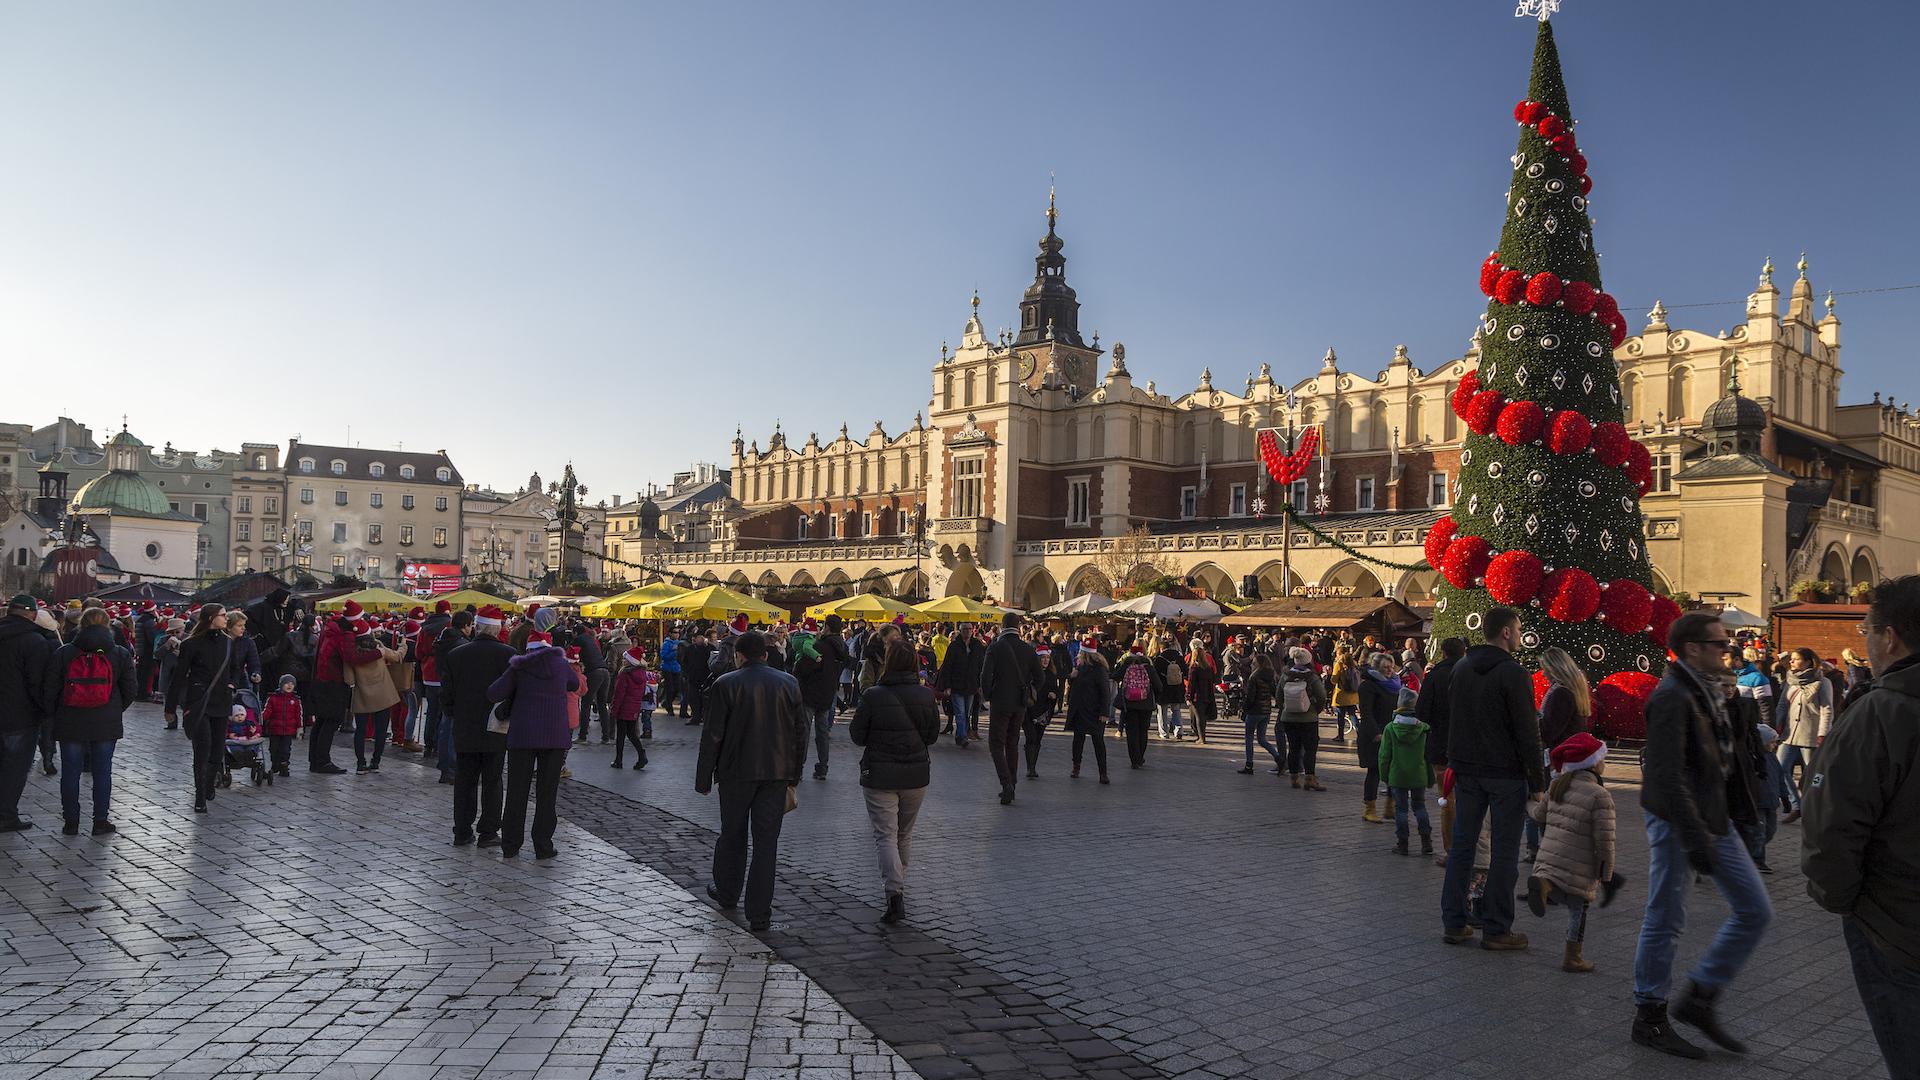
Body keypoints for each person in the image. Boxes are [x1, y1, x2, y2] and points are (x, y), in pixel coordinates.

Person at [1630, 612, 1770, 1060]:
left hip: (1712, 817)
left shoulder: (1707, 690)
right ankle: (1650, 1015)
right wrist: (1695, 839)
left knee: (1755, 909)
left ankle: (1700, 997)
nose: (1728, 651)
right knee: (1665, 917)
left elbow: (1724, 761)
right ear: (1692, 648)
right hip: (1679, 820)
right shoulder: (1673, 696)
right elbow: (1667, 776)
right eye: (1719, 645)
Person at [1802, 576, 1920, 1078]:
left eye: (1867, 629)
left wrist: (1841, 897)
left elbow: (1832, 825)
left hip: (1895, 925)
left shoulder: (1880, 712)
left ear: (1889, 637)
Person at [1439, 606, 1543, 952]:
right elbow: (1527, 731)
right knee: (1504, 852)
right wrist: (1537, 780)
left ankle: (1454, 922)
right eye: (1518, 628)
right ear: (1506, 633)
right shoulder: (1515, 673)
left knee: (1462, 847)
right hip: (1505, 774)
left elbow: (1451, 717)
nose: (1520, 634)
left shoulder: (1462, 667)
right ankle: (1497, 928)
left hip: (1467, 769)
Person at [696, 631, 807, 932]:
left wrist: (704, 778)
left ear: (739, 656)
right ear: (766, 655)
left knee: (732, 834)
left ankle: (728, 892)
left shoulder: (726, 684)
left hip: (736, 773)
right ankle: (760, 913)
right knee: (766, 843)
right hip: (776, 773)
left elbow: (713, 735)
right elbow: (801, 733)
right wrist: (794, 773)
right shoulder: (789, 683)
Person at [849, 639, 940, 925]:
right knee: (904, 834)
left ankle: (894, 893)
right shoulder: (926, 696)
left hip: (880, 775)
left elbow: (857, 735)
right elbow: (932, 736)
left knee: (885, 836)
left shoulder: (874, 695)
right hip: (915, 775)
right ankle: (899, 884)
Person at [1524, 732, 1619, 975]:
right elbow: (1605, 840)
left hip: (1549, 859)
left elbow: (1537, 816)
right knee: (1579, 909)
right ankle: (1573, 958)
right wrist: (1606, 873)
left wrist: (1528, 801)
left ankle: (1545, 886)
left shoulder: (1557, 785)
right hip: (1580, 865)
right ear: (1594, 763)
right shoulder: (1600, 795)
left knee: (1559, 888)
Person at [488, 621, 578, 860]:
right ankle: (543, 845)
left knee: (517, 791)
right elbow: (575, 684)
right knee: (547, 794)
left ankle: (511, 845)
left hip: (523, 737)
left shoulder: (519, 667)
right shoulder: (560, 664)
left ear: (529, 649)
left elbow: (494, 693)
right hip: (555, 737)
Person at [42, 606, 136, 835]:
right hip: (106, 721)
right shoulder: (120, 653)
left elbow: (50, 690)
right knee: (103, 771)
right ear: (107, 625)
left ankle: (71, 821)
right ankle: (100, 820)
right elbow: (131, 690)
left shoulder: (65, 653)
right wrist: (114, 708)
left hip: (70, 719)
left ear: (81, 625)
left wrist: (56, 713)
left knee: (71, 772)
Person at [441, 607, 511, 847]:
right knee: (493, 781)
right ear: (498, 629)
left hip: (465, 726)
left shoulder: (456, 654)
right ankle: (488, 831)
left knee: (465, 781)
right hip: (496, 727)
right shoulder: (508, 655)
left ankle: (462, 830)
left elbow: (446, 694)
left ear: (477, 627)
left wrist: (454, 714)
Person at [166, 605, 239, 814]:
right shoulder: (191, 643)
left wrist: (233, 683)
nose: (226, 619)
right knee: (202, 749)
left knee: (217, 752)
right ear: (210, 618)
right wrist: (170, 707)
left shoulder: (228, 642)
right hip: (199, 702)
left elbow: (235, 668)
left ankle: (208, 786)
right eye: (223, 615)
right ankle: (200, 796)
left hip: (222, 702)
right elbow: (179, 676)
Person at [0, 595, 58, 832]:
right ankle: (6, 815)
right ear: (33, 614)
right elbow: (38, 682)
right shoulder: (34, 641)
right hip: (20, 715)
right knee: (14, 767)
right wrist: (46, 710)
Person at [1529, 647, 1591, 860]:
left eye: (1545, 668)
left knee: (1550, 814)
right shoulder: (1574, 689)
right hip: (1569, 759)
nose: (1543, 673)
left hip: (1558, 760)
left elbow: (1549, 730)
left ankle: (1549, 863)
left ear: (1555, 667)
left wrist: (1534, 719)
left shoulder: (1561, 693)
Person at [978, 613, 1042, 804]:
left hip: (1000, 702)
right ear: (1018, 626)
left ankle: (1006, 783)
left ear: (1002, 625)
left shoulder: (995, 647)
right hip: (1020, 703)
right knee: (1012, 742)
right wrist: (1029, 689)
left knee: (996, 743)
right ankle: (1012, 782)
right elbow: (1040, 677)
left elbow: (985, 675)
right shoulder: (1028, 649)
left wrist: (989, 695)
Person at [1775, 646, 1833, 824]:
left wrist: (1823, 734)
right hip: (1789, 734)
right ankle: (1797, 805)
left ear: (1808, 661)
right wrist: (1776, 727)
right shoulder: (1790, 681)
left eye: (1796, 658)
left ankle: (1813, 808)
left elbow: (1827, 709)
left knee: (1812, 776)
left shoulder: (1823, 682)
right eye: (1791, 659)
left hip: (1811, 735)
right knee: (1779, 769)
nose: (1791, 661)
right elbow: (1782, 706)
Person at [1378, 686, 1435, 856]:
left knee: (1401, 809)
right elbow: (1428, 755)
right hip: (1418, 774)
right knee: (1420, 806)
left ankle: (1403, 844)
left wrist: (1384, 775)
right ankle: (1426, 841)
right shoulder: (1424, 728)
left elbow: (1384, 755)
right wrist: (1430, 777)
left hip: (1398, 775)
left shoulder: (1390, 728)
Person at [793, 615, 851, 779]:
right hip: (828, 694)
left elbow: (801, 669)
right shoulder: (841, 647)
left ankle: (798, 769)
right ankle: (823, 767)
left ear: (827, 627)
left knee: (804, 731)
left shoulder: (820, 646)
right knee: (822, 732)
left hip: (810, 694)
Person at [342, 622, 404, 774]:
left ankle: (360, 764)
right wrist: (403, 645)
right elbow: (397, 657)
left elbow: (349, 679)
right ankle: (376, 762)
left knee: (361, 731)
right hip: (384, 694)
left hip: (362, 695)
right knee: (381, 731)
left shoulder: (351, 654)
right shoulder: (379, 647)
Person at [306, 606, 357, 774]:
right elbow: (351, 657)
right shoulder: (345, 634)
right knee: (331, 721)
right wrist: (377, 653)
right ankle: (322, 761)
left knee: (321, 721)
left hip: (320, 680)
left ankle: (315, 760)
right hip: (334, 682)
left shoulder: (328, 630)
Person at [1357, 653, 1403, 824]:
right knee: (1375, 771)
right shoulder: (1368, 686)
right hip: (1374, 735)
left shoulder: (1395, 684)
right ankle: (1369, 809)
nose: (1390, 670)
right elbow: (1366, 713)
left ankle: (1390, 808)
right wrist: (1376, 733)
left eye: (1391, 667)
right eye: (1385, 668)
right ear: (1376, 668)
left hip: (1392, 733)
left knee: (1392, 771)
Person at [1277, 647, 1327, 791]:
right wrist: (1316, 710)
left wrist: (1285, 708)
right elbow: (1321, 696)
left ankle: (1294, 778)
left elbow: (1278, 695)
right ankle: (1310, 779)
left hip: (1288, 718)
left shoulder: (1285, 675)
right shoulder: (1311, 677)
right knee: (1310, 749)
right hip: (1308, 718)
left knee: (1293, 748)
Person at [1111, 642, 1162, 772]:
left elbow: (1115, 676)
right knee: (1143, 731)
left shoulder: (1127, 664)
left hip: (1129, 704)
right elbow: (1159, 686)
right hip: (1146, 704)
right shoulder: (1148, 667)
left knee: (1131, 732)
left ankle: (1134, 760)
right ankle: (1140, 758)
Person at [1066, 649, 1112, 783]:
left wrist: (1104, 712)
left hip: (1095, 712)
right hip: (1080, 710)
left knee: (1098, 742)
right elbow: (1074, 686)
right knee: (1078, 740)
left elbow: (1105, 692)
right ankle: (1076, 767)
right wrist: (1071, 677)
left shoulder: (1099, 670)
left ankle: (1103, 772)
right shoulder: (1079, 668)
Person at [936, 623, 984, 748]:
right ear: (960, 631)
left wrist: (980, 684)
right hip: (957, 685)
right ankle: (962, 737)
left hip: (971, 685)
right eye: (965, 629)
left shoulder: (977, 646)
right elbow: (947, 666)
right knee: (960, 712)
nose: (967, 632)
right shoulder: (954, 646)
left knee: (966, 713)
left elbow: (981, 665)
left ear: (972, 631)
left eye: (969, 629)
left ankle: (960, 735)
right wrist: (946, 685)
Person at [1237, 650, 1281, 775]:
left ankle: (1249, 765)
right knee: (1262, 739)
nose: (1252, 663)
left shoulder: (1254, 677)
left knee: (1249, 738)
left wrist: (1245, 709)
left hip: (1254, 710)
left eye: (1254, 662)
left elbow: (1251, 697)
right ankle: (1278, 757)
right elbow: (1274, 693)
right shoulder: (1271, 675)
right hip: (1266, 710)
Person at [608, 646, 653, 770]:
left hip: (623, 707)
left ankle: (618, 760)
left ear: (630, 660)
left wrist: (614, 709)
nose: (623, 661)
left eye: (625, 659)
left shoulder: (625, 674)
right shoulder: (641, 673)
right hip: (634, 707)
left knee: (621, 735)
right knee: (632, 734)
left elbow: (619, 693)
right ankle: (641, 754)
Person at [1022, 639, 1057, 780]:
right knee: (1031, 737)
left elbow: (1055, 691)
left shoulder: (1051, 674)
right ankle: (1030, 767)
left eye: (1048, 658)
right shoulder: (1029, 673)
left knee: (1037, 740)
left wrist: (1054, 695)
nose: (1045, 660)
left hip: (1043, 712)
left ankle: (1033, 766)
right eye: (1043, 658)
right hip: (1028, 711)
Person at [261, 674, 303, 778]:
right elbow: (267, 711)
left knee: (285, 749)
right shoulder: (273, 698)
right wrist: (261, 719)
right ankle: (275, 764)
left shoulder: (295, 700)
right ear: (281, 685)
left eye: (292, 684)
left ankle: (284, 766)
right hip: (275, 729)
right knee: (273, 748)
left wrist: (300, 728)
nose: (289, 685)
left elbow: (299, 715)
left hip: (288, 730)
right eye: (287, 683)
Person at [1183, 637, 1217, 746]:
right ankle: (1202, 736)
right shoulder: (1207, 667)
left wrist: (1188, 697)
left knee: (1198, 717)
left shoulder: (1193, 668)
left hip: (1197, 696)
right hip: (1206, 695)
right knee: (1202, 717)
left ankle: (1201, 737)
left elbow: (1191, 684)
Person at [1153, 635, 1186, 739]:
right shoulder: (1179, 656)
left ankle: (1164, 733)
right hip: (1177, 687)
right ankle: (1178, 730)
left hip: (1164, 689)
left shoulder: (1159, 658)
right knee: (1176, 710)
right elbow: (1185, 670)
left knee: (1162, 711)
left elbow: (1156, 675)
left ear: (1161, 648)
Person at [1329, 643, 1360, 743]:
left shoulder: (1339, 665)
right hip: (1353, 695)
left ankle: (1340, 736)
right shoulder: (1354, 663)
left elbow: (1333, 680)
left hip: (1341, 695)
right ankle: (1360, 734)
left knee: (1340, 716)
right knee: (1352, 715)